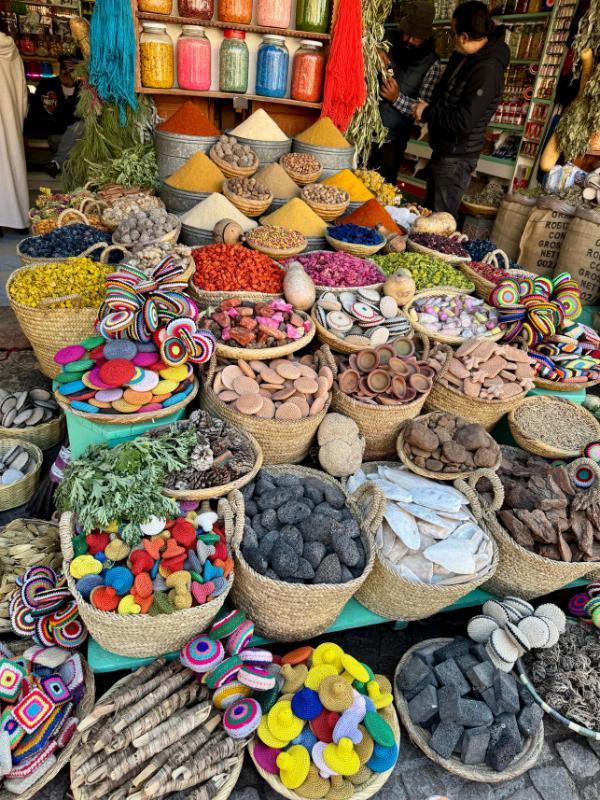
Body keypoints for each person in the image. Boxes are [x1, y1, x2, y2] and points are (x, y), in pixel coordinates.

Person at [412, 1, 510, 218]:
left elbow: (464, 122)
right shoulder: (464, 55)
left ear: (465, 36)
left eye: (454, 32)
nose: (452, 37)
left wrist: (428, 112)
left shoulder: (488, 69)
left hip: (457, 158)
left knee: (440, 220)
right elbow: (444, 92)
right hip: (444, 150)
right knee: (428, 215)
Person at [373, 0, 441, 186]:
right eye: (407, 34)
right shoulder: (387, 38)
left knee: (380, 191)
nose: (409, 40)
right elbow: (362, 42)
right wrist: (374, 51)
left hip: (392, 143)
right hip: (366, 131)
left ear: (426, 37)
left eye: (416, 38)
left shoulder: (432, 64)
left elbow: (422, 111)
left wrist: (397, 99)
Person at [24, 55, 81, 176]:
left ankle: (56, 164)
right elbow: (34, 111)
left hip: (74, 138)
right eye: (64, 67)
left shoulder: (83, 89)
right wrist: (26, 135)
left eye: (71, 69)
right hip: (51, 134)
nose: (66, 72)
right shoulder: (47, 84)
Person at [0, 32, 29, 231]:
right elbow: (22, 91)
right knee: (13, 165)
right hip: (10, 118)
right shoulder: (11, 50)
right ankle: (18, 220)